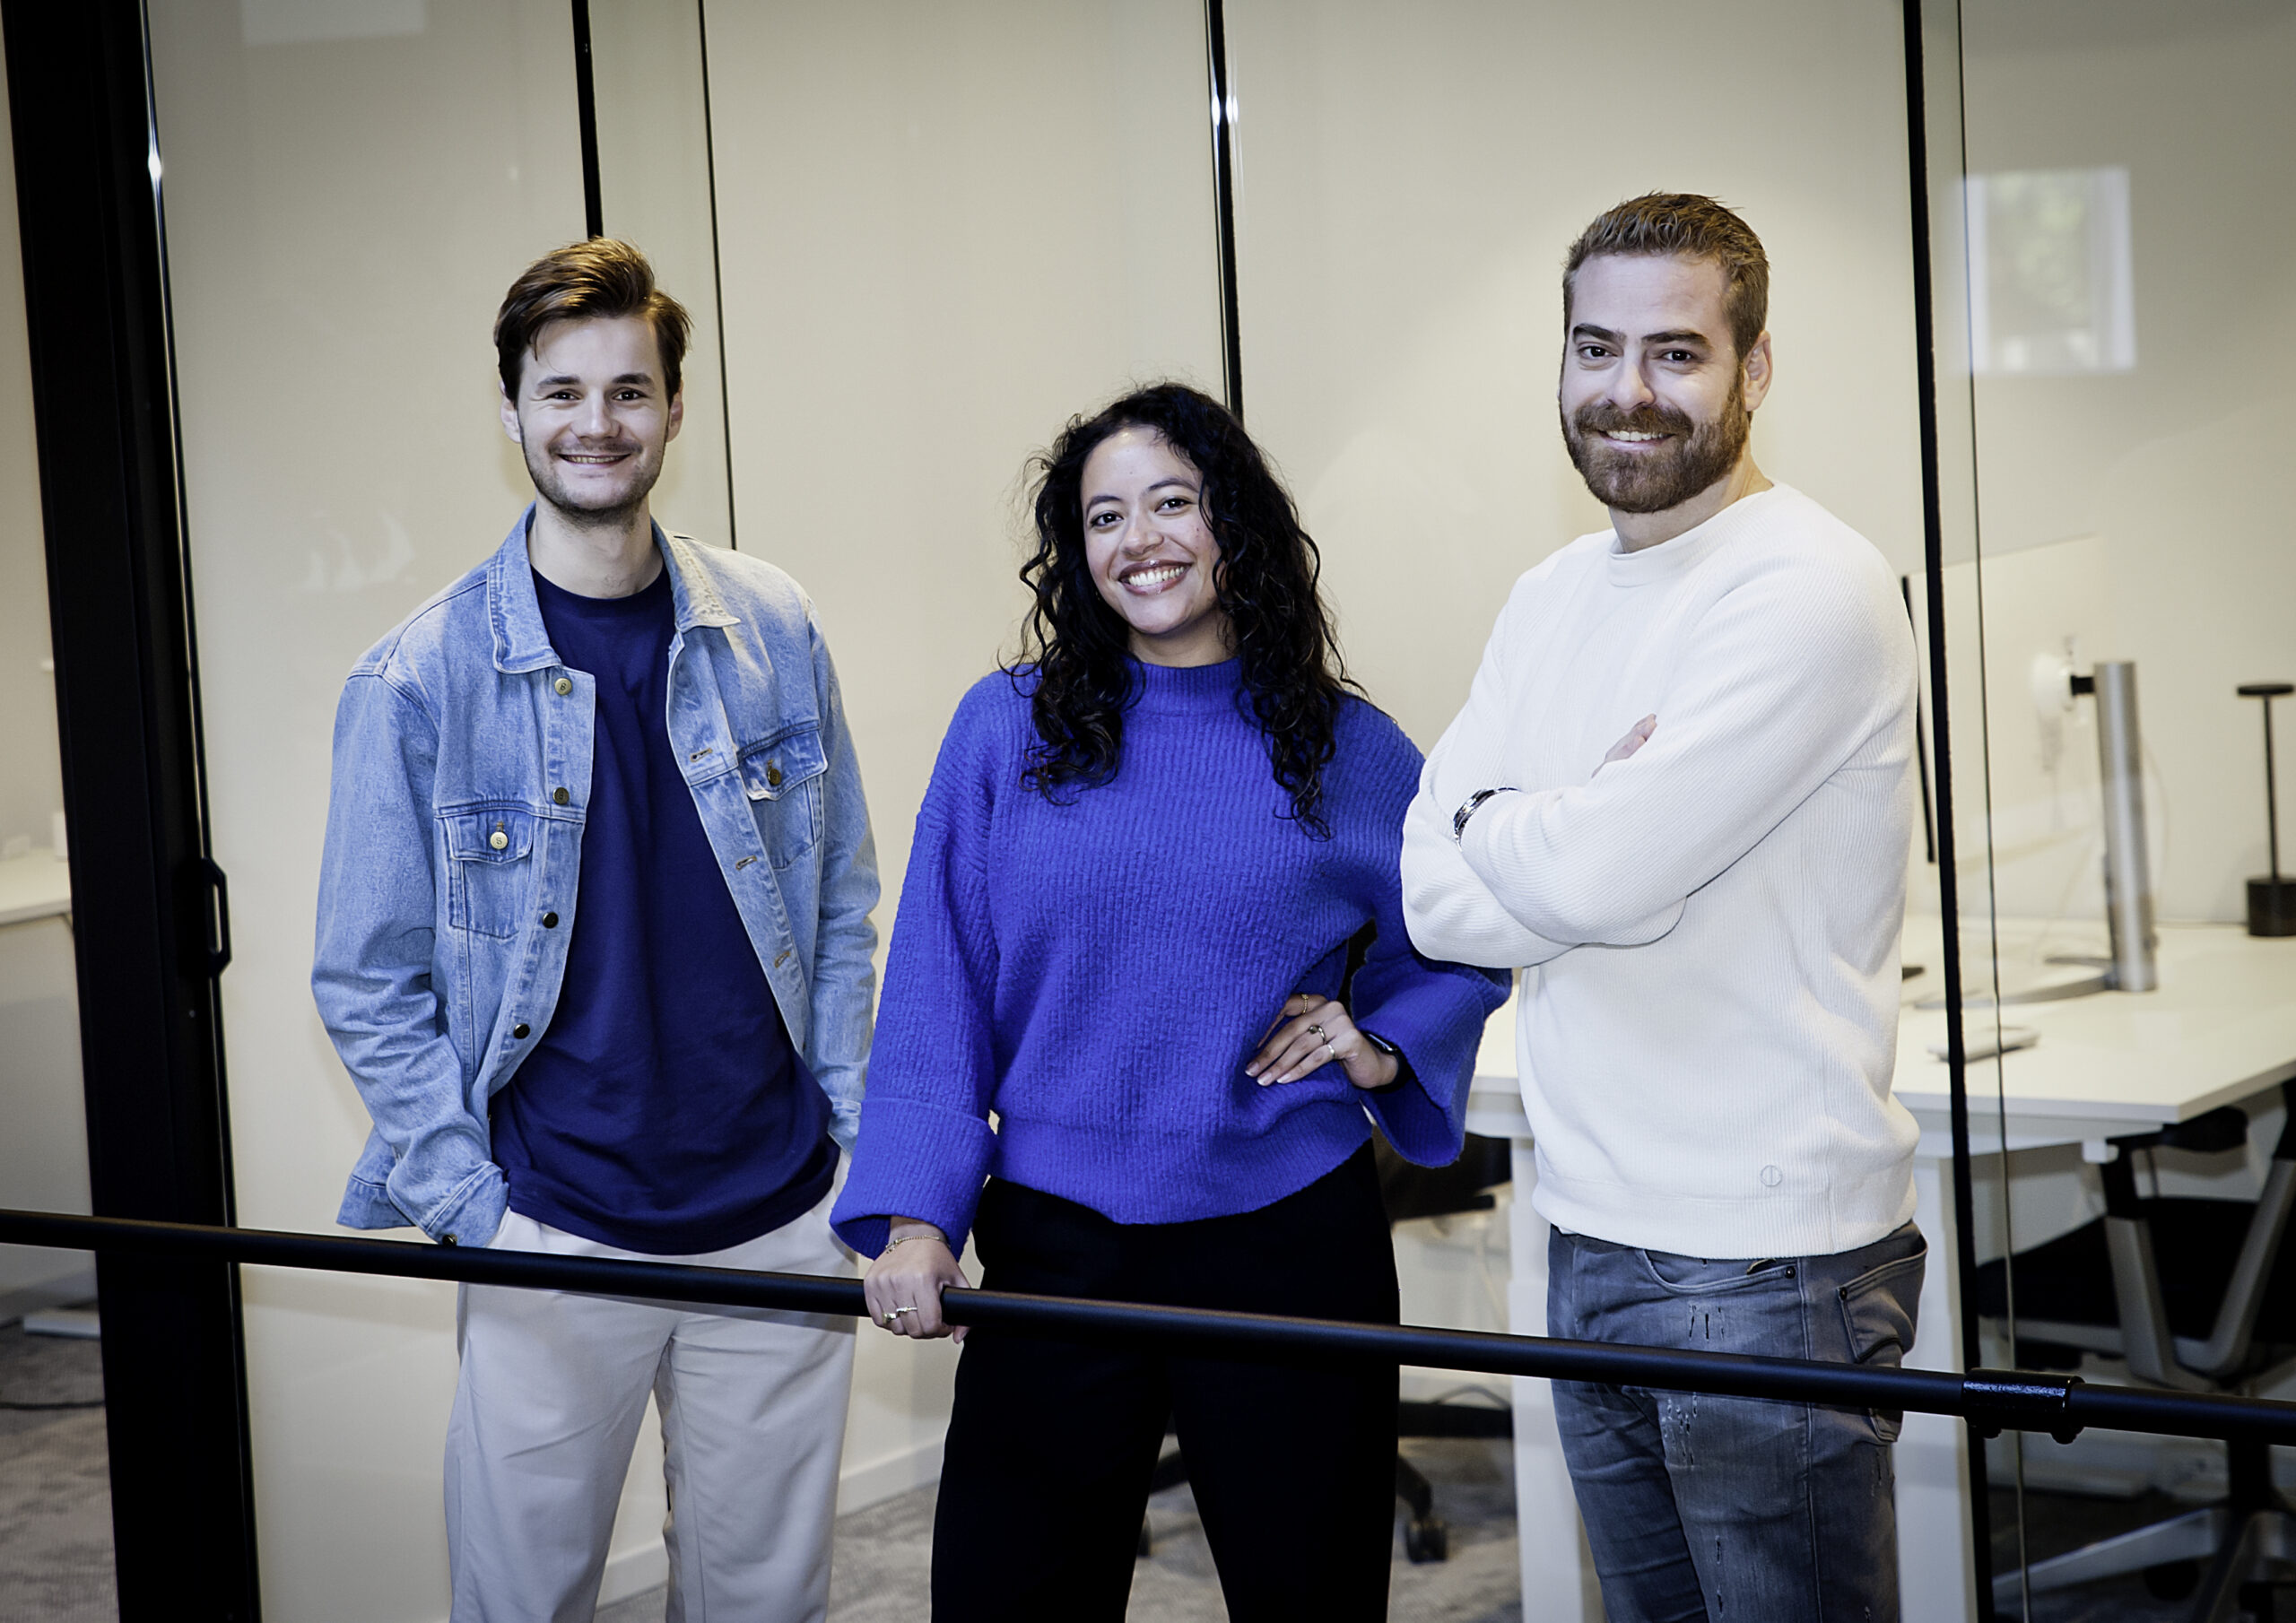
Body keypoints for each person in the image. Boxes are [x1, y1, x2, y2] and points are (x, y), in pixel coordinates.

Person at [830, 383, 1509, 1621]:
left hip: (1285, 1238)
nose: (1138, 539)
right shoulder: (1005, 731)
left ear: (1232, 520)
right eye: (1104, 517)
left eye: (1172, 503)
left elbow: (1463, 937)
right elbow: (938, 983)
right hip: (1056, 1243)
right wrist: (916, 1218)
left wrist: (1381, 1038)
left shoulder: (1347, 747)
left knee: (1309, 1601)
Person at [310, 239, 878, 1623]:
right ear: (511, 410)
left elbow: (842, 908)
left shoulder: (775, 627)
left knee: (766, 1608)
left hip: (779, 1220)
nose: (597, 422)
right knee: (524, 1603)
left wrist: (858, 1152)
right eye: (561, 391)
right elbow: (365, 981)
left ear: (675, 408)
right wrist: (474, 1210)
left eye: (629, 390)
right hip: (553, 1232)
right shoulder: (418, 677)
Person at [1401, 194, 1925, 1622]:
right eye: (1596, 347)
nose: (1626, 390)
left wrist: (1528, 832)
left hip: (1765, 1256)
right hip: (1586, 1225)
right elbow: (1434, 893)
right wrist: (1578, 834)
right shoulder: (1550, 593)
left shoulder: (1809, 588)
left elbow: (1594, 879)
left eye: (1676, 352)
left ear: (1756, 368)